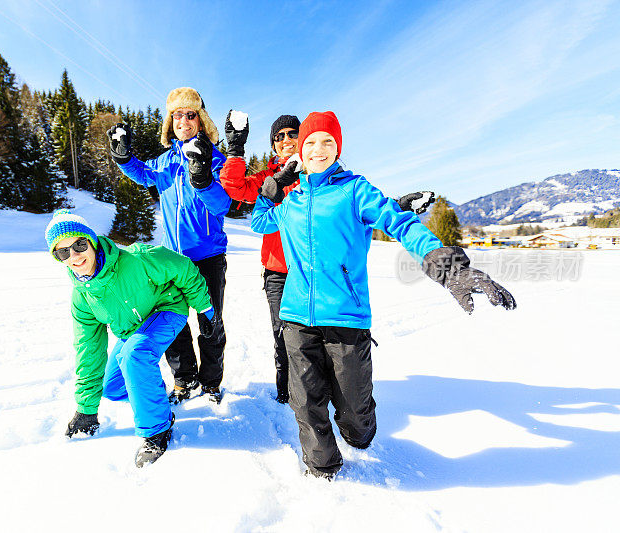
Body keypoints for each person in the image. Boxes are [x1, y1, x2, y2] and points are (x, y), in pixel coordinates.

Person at [251, 111, 517, 480]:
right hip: (296, 315)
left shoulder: (356, 190)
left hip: (345, 315)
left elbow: (400, 221)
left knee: (355, 420)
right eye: (310, 142)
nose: (318, 149)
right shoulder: (291, 202)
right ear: (300, 149)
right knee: (305, 401)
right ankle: (321, 467)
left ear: (337, 147)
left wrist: (446, 265)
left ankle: (358, 431)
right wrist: (272, 190)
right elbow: (259, 222)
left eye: (327, 141)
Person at [220, 112, 437, 404]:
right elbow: (234, 188)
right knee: (284, 337)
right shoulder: (266, 178)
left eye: (292, 134)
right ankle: (289, 394)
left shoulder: (318, 172)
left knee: (322, 340)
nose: (286, 140)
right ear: (273, 145)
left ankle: (328, 393)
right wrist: (235, 151)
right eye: (279, 137)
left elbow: (346, 208)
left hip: (322, 273)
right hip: (279, 270)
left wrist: (397, 207)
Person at [46, 209, 215, 467]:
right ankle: (157, 403)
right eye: (63, 251)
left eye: (79, 244)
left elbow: (183, 268)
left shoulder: (136, 259)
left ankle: (156, 431)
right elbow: (88, 350)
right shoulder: (83, 298)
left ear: (91, 241)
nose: (75, 255)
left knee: (134, 356)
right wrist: (86, 408)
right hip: (134, 330)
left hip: (166, 309)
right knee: (113, 386)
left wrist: (204, 307)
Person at [106, 87, 231, 404]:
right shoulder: (166, 161)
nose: (184, 120)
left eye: (191, 114)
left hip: (208, 257)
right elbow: (142, 173)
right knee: (172, 321)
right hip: (172, 260)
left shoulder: (216, 159)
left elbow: (222, 204)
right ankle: (185, 379)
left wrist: (202, 176)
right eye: (178, 115)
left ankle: (212, 381)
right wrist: (122, 155)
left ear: (200, 120)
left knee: (210, 323)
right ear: (171, 121)